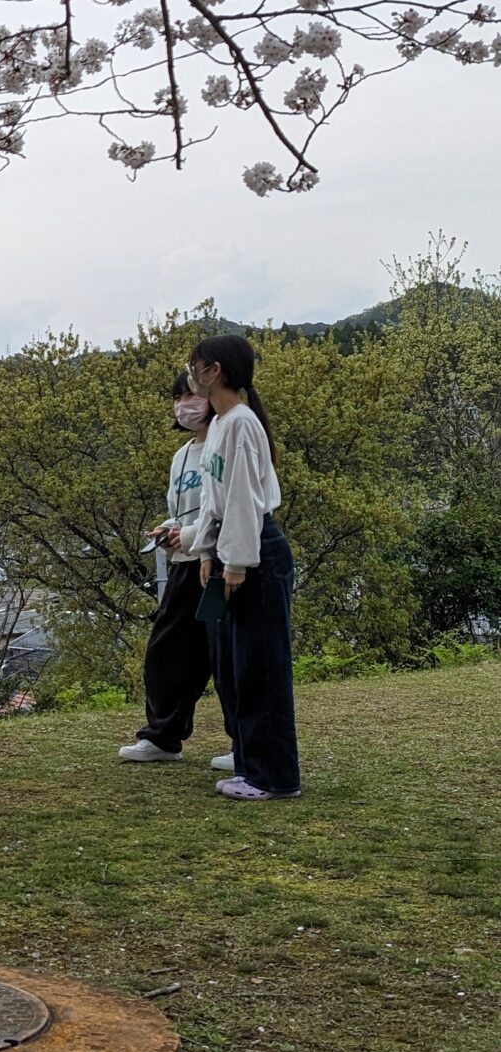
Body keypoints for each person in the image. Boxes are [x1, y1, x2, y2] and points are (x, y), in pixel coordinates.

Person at [182, 331, 300, 801]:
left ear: (216, 371)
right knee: (237, 667)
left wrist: (236, 562)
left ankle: (275, 778)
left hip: (257, 555)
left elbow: (246, 502)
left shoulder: (242, 424)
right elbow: (216, 502)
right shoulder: (223, 426)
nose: (192, 374)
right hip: (236, 554)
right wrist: (208, 553)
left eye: (196, 365)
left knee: (262, 666)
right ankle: (253, 769)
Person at [118, 375, 233, 767]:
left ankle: (245, 742)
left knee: (226, 657)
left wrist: (195, 536)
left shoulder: (226, 443)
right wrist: (170, 530)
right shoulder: (182, 453)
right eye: (177, 397)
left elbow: (225, 509)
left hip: (219, 563)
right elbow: (184, 510)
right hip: (185, 567)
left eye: (192, 394)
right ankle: (163, 737)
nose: (184, 404)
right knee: (164, 655)